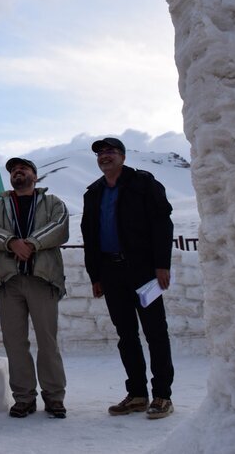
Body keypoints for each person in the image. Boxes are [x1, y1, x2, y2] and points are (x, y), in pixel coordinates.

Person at [81, 137, 175, 420]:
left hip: (144, 270)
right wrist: (95, 275)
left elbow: (162, 223)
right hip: (111, 272)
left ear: (123, 156)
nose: (104, 156)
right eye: (100, 153)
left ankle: (162, 395)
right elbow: (90, 236)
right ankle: (136, 394)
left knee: (155, 332)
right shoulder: (93, 192)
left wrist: (162, 265)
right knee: (126, 335)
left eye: (110, 151)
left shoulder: (143, 184)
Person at [0, 157, 69, 419]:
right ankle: (24, 397)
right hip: (9, 281)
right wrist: (11, 243)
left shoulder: (52, 203)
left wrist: (30, 244)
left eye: (24, 168)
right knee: (14, 342)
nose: (18, 172)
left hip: (42, 278)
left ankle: (54, 397)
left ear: (35, 174)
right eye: (13, 170)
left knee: (47, 341)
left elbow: (60, 226)